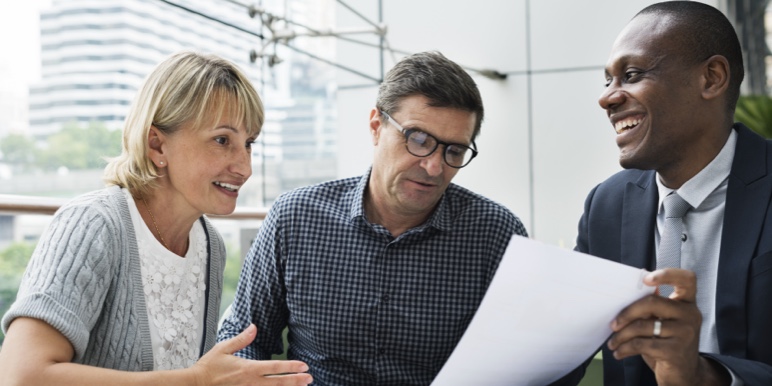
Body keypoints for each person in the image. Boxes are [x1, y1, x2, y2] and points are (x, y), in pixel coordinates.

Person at [0, 51, 312, 385]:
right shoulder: (94, 225)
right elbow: (21, 375)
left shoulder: (209, 245)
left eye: (248, 143)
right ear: (157, 145)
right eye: (222, 140)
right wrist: (195, 381)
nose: (244, 167)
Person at [218, 51, 527, 385]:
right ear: (376, 127)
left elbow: (521, 361)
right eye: (419, 140)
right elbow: (243, 339)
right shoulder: (296, 218)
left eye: (453, 151)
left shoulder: (497, 235)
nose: (434, 167)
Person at [569, 2, 772, 385]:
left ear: (711, 78)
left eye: (631, 74)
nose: (608, 98)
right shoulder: (606, 206)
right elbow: (561, 352)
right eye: (607, 81)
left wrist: (706, 376)